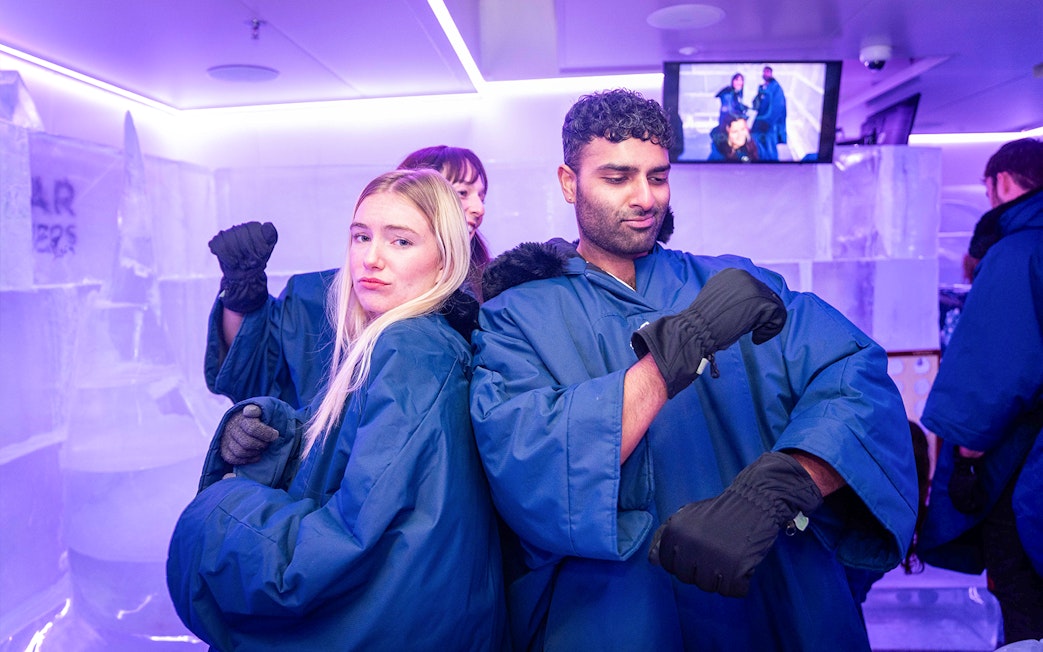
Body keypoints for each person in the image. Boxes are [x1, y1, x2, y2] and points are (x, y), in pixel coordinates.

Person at [469, 88, 918, 650]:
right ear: (568, 182)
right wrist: (672, 356)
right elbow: (527, 463)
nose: (645, 198)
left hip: (773, 597)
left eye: (658, 177)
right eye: (617, 177)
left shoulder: (735, 285)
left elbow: (855, 378)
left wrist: (788, 484)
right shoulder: (516, 318)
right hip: (617, 614)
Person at [166, 168, 507, 650]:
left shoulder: (408, 349)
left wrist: (220, 509)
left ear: (445, 258)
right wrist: (276, 429)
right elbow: (359, 453)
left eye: (401, 241)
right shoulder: (402, 335)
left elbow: (355, 545)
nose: (371, 258)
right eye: (361, 236)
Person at [204, 145, 491, 411]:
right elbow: (254, 375)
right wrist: (243, 297)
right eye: (461, 193)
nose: (478, 208)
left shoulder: (483, 305)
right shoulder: (311, 299)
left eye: (481, 195)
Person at [918, 137, 1043, 645]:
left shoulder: (1016, 253)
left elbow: (996, 368)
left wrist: (966, 454)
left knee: (1023, 592)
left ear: (1002, 183)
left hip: (1023, 466)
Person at [751, 66, 787, 161]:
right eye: (764, 72)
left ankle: (772, 166)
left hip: (770, 124)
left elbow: (779, 105)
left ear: (771, 73)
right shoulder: (762, 87)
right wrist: (759, 95)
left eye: (768, 72)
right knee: (757, 144)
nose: (766, 74)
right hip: (760, 122)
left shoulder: (776, 87)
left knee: (770, 146)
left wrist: (768, 121)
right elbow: (756, 105)